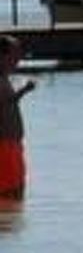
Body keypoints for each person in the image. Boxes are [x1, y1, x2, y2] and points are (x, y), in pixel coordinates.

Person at [1, 34, 33, 200]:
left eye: (19, 54)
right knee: (8, 195)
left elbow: (8, 102)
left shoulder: (5, 77)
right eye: (14, 54)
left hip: (13, 145)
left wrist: (22, 92)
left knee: (16, 197)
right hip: (4, 147)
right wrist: (23, 90)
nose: (18, 59)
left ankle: (10, 223)